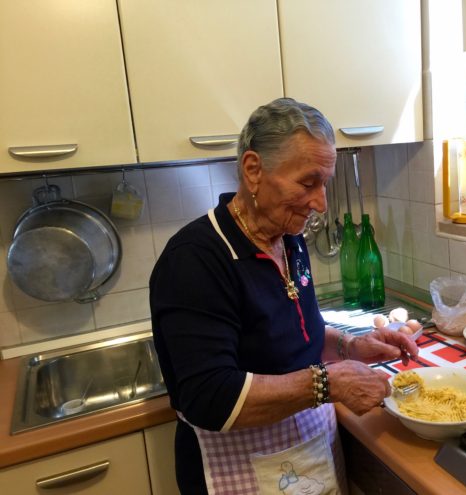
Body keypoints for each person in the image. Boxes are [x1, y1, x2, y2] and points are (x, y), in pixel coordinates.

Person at [149, 97, 418, 495]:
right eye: (308, 183)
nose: (320, 203)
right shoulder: (195, 260)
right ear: (254, 170)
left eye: (324, 183)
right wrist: (329, 383)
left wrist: (352, 346)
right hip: (236, 468)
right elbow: (210, 396)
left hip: (308, 452)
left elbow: (298, 335)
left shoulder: (288, 238)